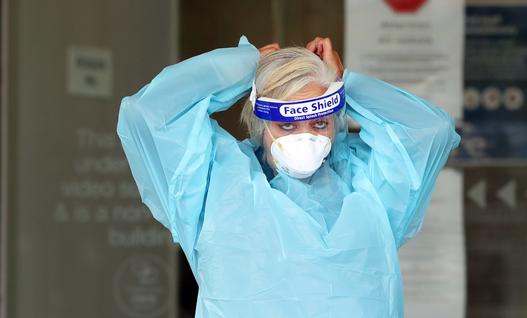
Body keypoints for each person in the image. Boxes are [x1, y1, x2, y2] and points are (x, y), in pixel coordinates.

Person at [117, 35, 460, 317]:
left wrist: (344, 87)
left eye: (319, 122)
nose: (305, 136)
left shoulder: (368, 188)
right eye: (286, 124)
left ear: (335, 120)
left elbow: (429, 131)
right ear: (261, 122)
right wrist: (239, 68)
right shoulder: (215, 184)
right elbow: (149, 114)